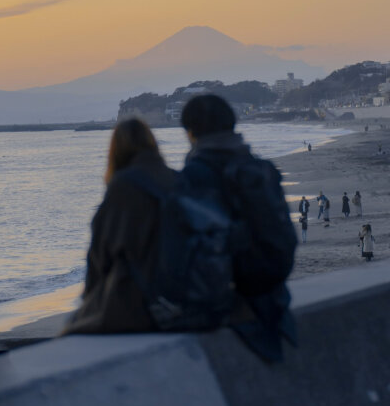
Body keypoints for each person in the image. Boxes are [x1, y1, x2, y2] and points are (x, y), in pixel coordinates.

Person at [180, 94, 297, 362]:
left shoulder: (196, 173)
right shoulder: (257, 166)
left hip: (235, 293)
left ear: (190, 132)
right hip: (274, 286)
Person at [63, 118, 178, 334]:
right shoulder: (175, 179)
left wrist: (90, 298)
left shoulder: (124, 186)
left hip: (141, 300)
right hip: (179, 292)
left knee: (71, 330)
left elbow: (100, 254)